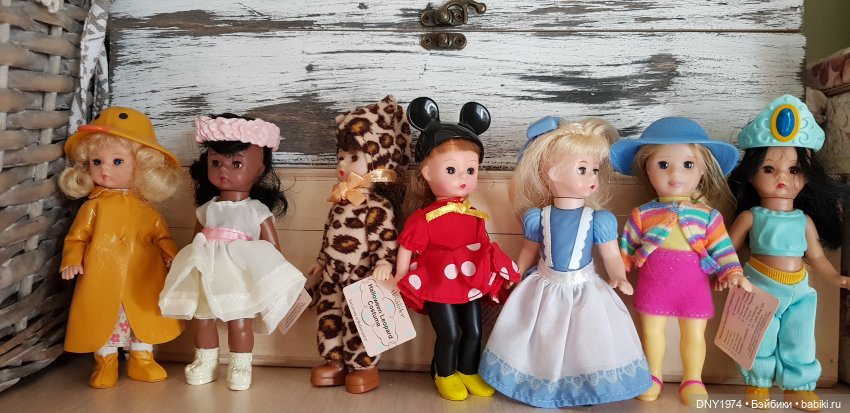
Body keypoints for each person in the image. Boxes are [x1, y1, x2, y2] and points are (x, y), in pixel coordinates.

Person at [479, 116, 652, 407]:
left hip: (584, 287)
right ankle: (537, 386)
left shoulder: (599, 219)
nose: (592, 178)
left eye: (594, 170)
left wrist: (618, 276)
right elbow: (528, 251)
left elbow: (611, 255)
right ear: (549, 172)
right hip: (544, 286)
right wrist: (516, 273)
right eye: (582, 169)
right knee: (540, 336)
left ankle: (587, 389)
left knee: (587, 339)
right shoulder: (538, 216)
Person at [610, 117, 751, 406]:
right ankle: (652, 375)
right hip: (654, 284)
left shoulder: (708, 215)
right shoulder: (642, 214)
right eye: (663, 164)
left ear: (703, 169)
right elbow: (625, 248)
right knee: (651, 331)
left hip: (694, 285)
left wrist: (733, 271)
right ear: (647, 169)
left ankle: (693, 379)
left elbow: (723, 248)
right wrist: (619, 273)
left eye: (688, 164)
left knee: (695, 334)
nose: (676, 174)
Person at [158, 113, 306, 391]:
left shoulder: (256, 210)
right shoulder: (207, 209)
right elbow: (194, 242)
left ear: (259, 170)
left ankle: (240, 364)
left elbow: (272, 249)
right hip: (207, 271)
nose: (223, 170)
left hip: (238, 275)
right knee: (203, 319)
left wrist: (274, 277)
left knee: (240, 321)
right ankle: (206, 361)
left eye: (236, 163)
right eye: (216, 163)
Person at [727, 95, 850, 410]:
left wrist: (835, 278)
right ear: (751, 174)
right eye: (769, 169)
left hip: (800, 290)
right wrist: (728, 272)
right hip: (759, 287)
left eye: (794, 169)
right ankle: (758, 385)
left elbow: (817, 257)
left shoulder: (803, 219)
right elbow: (726, 249)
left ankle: (798, 387)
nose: (782, 178)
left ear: (808, 175)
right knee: (759, 338)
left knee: (801, 339)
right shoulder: (751, 216)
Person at [394, 97, 521, 401]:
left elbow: (485, 247)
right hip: (438, 281)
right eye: (451, 170)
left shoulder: (474, 214)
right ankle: (445, 373)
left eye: (470, 170)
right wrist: (399, 276)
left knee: (474, 330)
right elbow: (407, 247)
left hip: (471, 280)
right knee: (449, 332)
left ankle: (468, 370)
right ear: (427, 173)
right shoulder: (424, 217)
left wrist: (501, 271)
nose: (463, 178)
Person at [59, 107, 184, 389]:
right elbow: (77, 237)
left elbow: (162, 237)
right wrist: (72, 259)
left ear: (143, 167)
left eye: (117, 161)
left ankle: (142, 358)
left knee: (143, 317)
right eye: (96, 162)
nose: (104, 170)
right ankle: (106, 361)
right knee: (104, 318)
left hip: (143, 275)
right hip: (102, 275)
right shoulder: (94, 206)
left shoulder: (146, 209)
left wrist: (173, 258)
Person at [308, 96, 411, 394]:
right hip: (332, 274)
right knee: (328, 313)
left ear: (377, 159)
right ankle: (334, 360)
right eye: (340, 156)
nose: (342, 164)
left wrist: (384, 262)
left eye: (353, 157)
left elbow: (385, 235)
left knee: (361, 319)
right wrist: (321, 261)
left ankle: (363, 365)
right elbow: (329, 234)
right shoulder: (339, 199)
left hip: (362, 275)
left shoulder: (377, 204)